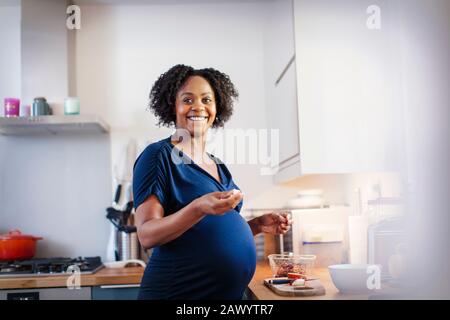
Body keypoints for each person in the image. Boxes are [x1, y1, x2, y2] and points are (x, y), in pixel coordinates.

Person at [133, 64, 292, 300]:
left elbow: (209, 234)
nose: (198, 106)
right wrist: (198, 207)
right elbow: (147, 234)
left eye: (207, 99)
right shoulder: (158, 156)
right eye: (188, 100)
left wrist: (257, 225)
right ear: (172, 106)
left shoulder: (218, 165)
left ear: (217, 108)